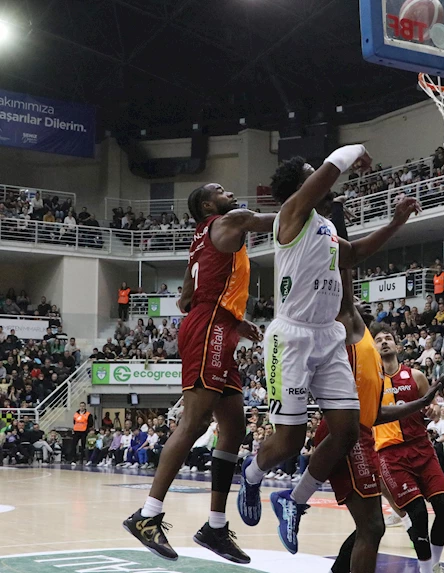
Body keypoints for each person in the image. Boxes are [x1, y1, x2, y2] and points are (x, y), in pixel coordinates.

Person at [236, 146, 420, 555]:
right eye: (311, 172)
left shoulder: (324, 227)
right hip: (292, 339)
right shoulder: (292, 215)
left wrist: (395, 222)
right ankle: (250, 475)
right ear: (302, 188)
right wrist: (356, 151)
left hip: (327, 336)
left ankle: (293, 500)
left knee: (347, 431)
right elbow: (333, 166)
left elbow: (353, 255)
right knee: (288, 443)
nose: (320, 176)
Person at [124, 183, 270, 563]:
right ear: (209, 205)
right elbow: (283, 223)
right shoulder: (231, 220)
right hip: (209, 329)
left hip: (218, 325)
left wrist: (235, 320)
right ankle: (147, 515)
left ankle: (215, 527)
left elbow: (185, 297)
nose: (228, 191)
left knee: (234, 426)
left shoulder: (200, 240)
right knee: (194, 422)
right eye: (221, 190)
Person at [320, 194, 441, 573]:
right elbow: (345, 264)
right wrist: (336, 215)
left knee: (369, 525)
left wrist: (420, 405)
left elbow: (376, 412)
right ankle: (295, 499)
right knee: (372, 525)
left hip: (361, 425)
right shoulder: (347, 326)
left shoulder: (367, 342)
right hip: (347, 429)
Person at [372, 324, 444, 573]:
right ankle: (425, 568)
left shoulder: (415, 376)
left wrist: (431, 410)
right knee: (418, 513)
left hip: (421, 448)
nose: (384, 342)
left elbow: (435, 409)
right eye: (379, 340)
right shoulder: (370, 381)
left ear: (397, 346)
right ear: (373, 348)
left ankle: (435, 564)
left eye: (388, 338)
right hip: (390, 454)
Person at [71, 402, 93, 466]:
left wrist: (87, 429)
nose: (82, 407)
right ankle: (73, 460)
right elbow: (74, 422)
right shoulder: (76, 414)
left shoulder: (88, 414)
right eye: (81, 406)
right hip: (76, 431)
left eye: (83, 406)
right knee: (73, 445)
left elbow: (91, 423)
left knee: (83, 446)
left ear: (85, 407)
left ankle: (82, 459)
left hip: (84, 432)